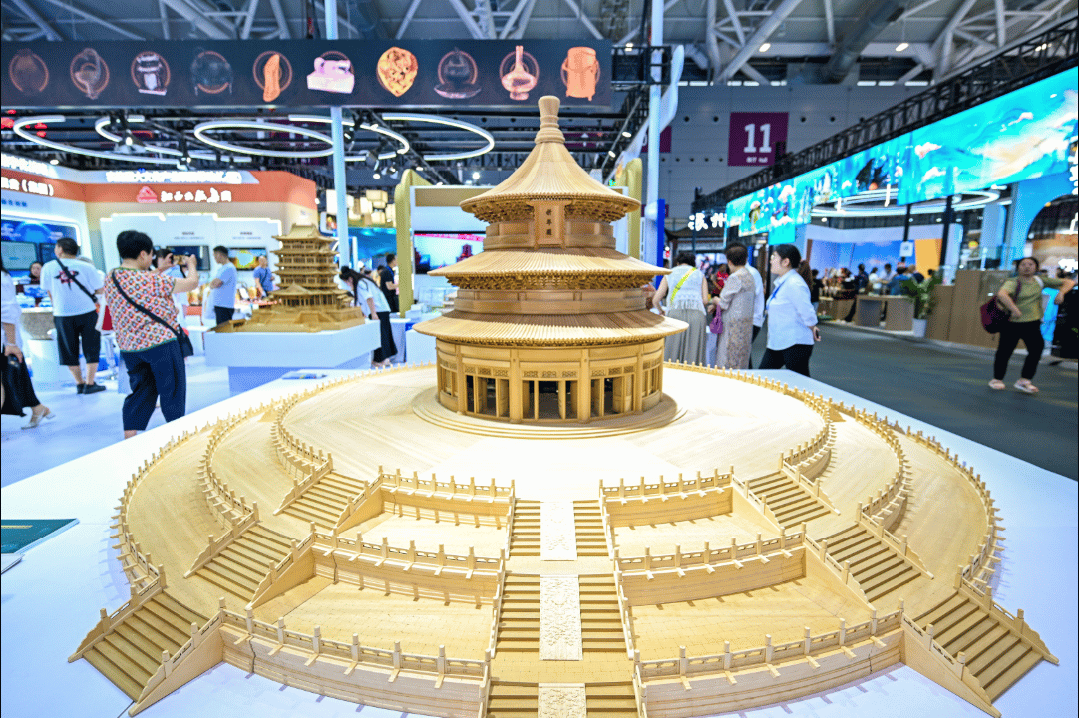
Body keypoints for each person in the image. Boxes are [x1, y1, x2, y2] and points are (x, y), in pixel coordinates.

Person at [104, 230, 199, 439]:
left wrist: (159, 269)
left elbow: (138, 281)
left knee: (140, 391)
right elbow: (192, 283)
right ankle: (177, 438)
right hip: (161, 344)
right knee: (172, 391)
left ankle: (130, 437)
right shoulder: (156, 281)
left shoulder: (111, 277)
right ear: (143, 254)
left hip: (130, 347)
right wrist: (191, 265)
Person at [989, 257, 1074, 393]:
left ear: (1036, 267)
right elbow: (1002, 294)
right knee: (1004, 352)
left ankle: (1024, 380)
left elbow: (1069, 282)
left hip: (1032, 323)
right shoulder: (1013, 282)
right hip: (1012, 324)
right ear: (1018, 268)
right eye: (1023, 264)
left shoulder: (1040, 281)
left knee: (1036, 350)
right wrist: (1014, 309)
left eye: (1031, 264)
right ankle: (997, 379)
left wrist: (1061, 293)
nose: (1027, 267)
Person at [40, 237, 105, 394]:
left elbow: (48, 290)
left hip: (62, 314)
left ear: (60, 249)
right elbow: (99, 289)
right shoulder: (87, 267)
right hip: (88, 311)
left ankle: (79, 383)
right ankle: (90, 383)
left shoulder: (48, 267)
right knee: (92, 347)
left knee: (68, 350)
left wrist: (57, 305)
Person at [1, 257, 53, 428]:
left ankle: (38, 408)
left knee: (11, 377)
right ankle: (38, 408)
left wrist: (11, 343)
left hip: (5, 342)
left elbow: (7, 311)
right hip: (7, 342)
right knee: (17, 376)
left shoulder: (2, 278)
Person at [760, 244, 820, 376]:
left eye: (774, 257)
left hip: (795, 342)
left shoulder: (794, 283)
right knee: (763, 376)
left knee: (800, 383)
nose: (771, 261)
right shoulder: (784, 282)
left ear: (786, 261)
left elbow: (807, 312)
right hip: (778, 341)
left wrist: (812, 326)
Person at [654, 251, 708, 365]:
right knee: (693, 353)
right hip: (697, 316)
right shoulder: (699, 274)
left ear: (678, 262)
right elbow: (705, 301)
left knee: (672, 352)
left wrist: (661, 311)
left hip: (674, 314)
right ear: (692, 263)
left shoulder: (670, 273)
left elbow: (655, 299)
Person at [343, 267, 397, 367]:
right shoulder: (363, 281)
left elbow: (369, 298)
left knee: (379, 335)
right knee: (383, 334)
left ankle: (381, 360)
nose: (347, 284)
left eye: (346, 282)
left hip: (378, 310)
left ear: (350, 279)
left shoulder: (360, 283)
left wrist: (373, 313)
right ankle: (384, 359)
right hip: (381, 309)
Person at [714, 244, 755, 370]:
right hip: (746, 324)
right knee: (741, 359)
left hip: (732, 325)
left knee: (728, 359)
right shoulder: (749, 276)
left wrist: (715, 300)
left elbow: (723, 303)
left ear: (729, 261)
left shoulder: (735, 277)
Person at [207, 245, 237, 326]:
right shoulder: (224, 268)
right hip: (221, 305)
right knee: (221, 329)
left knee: (223, 330)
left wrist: (212, 284)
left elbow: (214, 284)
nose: (214, 258)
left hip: (224, 306)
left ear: (219, 255)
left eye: (214, 255)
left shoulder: (228, 268)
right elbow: (214, 283)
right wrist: (213, 283)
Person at [744, 256, 765, 368]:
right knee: (744, 352)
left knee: (743, 350)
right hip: (748, 319)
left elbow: (746, 298)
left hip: (751, 319)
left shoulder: (750, 273)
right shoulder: (745, 272)